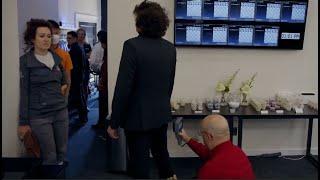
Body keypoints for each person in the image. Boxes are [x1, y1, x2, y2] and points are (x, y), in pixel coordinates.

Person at [107, 1, 177, 179]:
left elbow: (123, 88)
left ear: (141, 24)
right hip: (161, 113)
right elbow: (169, 85)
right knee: (162, 156)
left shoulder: (132, 46)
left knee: (140, 164)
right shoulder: (170, 48)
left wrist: (114, 122)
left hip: (137, 117)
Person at [18, 19, 69, 165]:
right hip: (40, 117)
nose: (46, 39)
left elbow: (64, 81)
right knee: (49, 157)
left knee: (63, 153)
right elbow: (24, 92)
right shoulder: (25, 61)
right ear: (32, 39)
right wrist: (23, 122)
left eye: (48, 36)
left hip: (60, 112)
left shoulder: (56, 57)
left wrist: (63, 91)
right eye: (41, 36)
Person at [179, 115, 255, 179]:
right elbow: (206, 152)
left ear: (209, 136)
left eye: (202, 134)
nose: (202, 137)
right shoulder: (238, 152)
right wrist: (187, 139)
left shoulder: (209, 170)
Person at [47, 19, 73, 98]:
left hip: (59, 97)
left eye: (57, 33)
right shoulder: (39, 53)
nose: (55, 36)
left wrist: (65, 98)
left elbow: (68, 80)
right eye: (52, 33)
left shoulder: (65, 55)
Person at [67, 31, 88, 125]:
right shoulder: (78, 48)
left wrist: (72, 80)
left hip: (76, 78)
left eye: (70, 38)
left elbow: (74, 67)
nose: (68, 40)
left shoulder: (75, 49)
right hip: (80, 77)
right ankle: (83, 118)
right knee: (80, 98)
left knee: (79, 99)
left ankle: (83, 119)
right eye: (67, 38)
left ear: (75, 38)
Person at [91, 31, 108, 129]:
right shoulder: (109, 48)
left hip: (103, 80)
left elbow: (93, 63)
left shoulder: (99, 47)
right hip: (104, 79)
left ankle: (102, 124)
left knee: (103, 104)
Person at [77, 28, 92, 104]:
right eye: (80, 34)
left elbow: (90, 55)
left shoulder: (87, 45)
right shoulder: (74, 45)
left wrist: (84, 56)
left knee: (85, 87)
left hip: (86, 70)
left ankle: (85, 104)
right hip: (77, 71)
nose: (81, 36)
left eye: (83, 34)